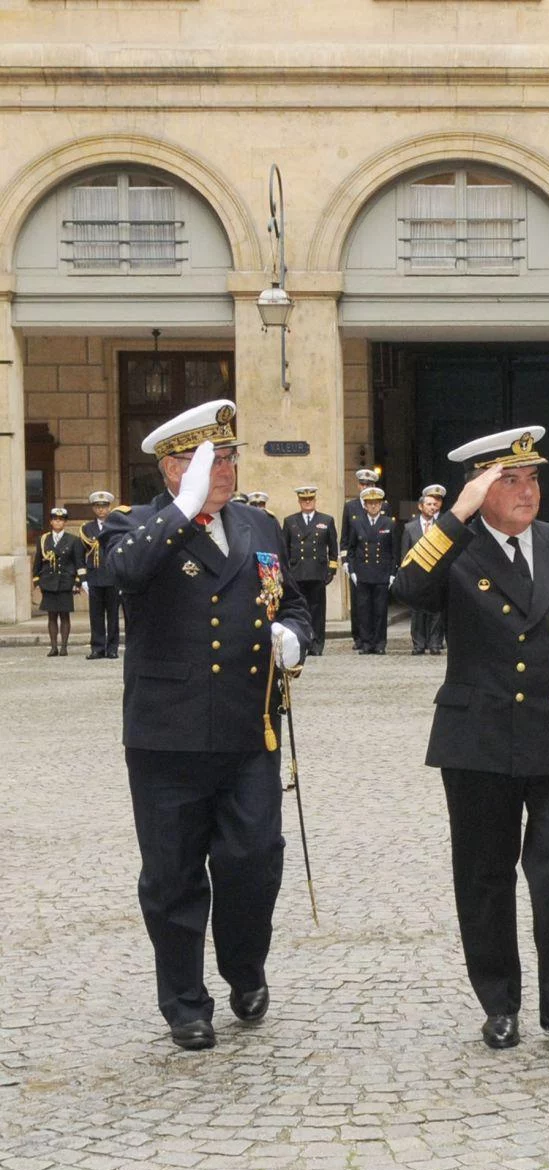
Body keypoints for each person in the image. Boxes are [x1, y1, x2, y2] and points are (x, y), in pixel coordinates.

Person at [393, 425, 549, 1054]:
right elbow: (405, 591)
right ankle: (500, 1002)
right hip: (479, 741)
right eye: (509, 480)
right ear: (480, 489)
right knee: (485, 875)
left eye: (534, 477)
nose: (527, 491)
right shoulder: (454, 547)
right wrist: (457, 516)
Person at [98, 399, 311, 1051]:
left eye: (230, 455)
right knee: (173, 875)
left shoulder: (257, 525)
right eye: (209, 458)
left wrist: (294, 636)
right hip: (167, 735)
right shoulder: (132, 525)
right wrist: (184, 508)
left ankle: (244, 966)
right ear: (172, 466)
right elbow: (121, 572)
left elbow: (293, 600)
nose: (225, 467)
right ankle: (185, 1000)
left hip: (249, 730)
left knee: (255, 860)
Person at [282, 486, 339, 657]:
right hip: (297, 572)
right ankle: (302, 641)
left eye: (310, 499)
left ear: (315, 500)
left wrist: (332, 568)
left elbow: (333, 547)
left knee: (317, 610)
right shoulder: (290, 521)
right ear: (299, 501)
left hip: (317, 572)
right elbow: (284, 548)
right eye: (304, 500)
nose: (307, 502)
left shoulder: (326, 520)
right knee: (299, 609)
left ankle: (317, 644)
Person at [344, 486, 398, 654]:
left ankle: (380, 644)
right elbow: (351, 549)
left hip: (382, 573)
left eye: (376, 503)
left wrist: (392, 573)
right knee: (364, 611)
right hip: (363, 573)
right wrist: (351, 570)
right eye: (370, 503)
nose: (373, 506)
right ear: (365, 506)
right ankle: (366, 643)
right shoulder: (357, 522)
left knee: (380, 611)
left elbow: (394, 551)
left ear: (381, 505)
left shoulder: (389, 523)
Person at [402, 485, 450, 655]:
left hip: (437, 575)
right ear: (420, 506)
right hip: (417, 576)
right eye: (429, 504)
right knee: (417, 612)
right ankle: (418, 644)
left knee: (436, 612)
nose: (432, 507)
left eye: (435, 504)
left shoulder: (443, 525)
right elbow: (405, 554)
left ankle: (435, 643)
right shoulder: (410, 528)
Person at [32, 505, 85, 656]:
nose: (58, 523)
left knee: (64, 615)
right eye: (55, 520)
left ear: (65, 523)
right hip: (48, 582)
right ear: (50, 522)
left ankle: (64, 647)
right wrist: (37, 580)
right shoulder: (43, 540)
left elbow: (78, 563)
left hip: (65, 582)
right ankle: (53, 646)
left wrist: (77, 582)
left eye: (61, 520)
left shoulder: (73, 540)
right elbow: (38, 562)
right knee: (51, 616)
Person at [81, 491, 127, 659]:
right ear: (94, 509)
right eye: (98, 507)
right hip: (94, 576)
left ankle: (112, 647)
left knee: (113, 614)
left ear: (109, 507)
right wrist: (83, 579)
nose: (101, 510)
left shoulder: (116, 526)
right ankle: (97, 648)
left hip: (112, 576)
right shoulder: (87, 528)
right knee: (96, 615)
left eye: (104, 506)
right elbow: (81, 555)